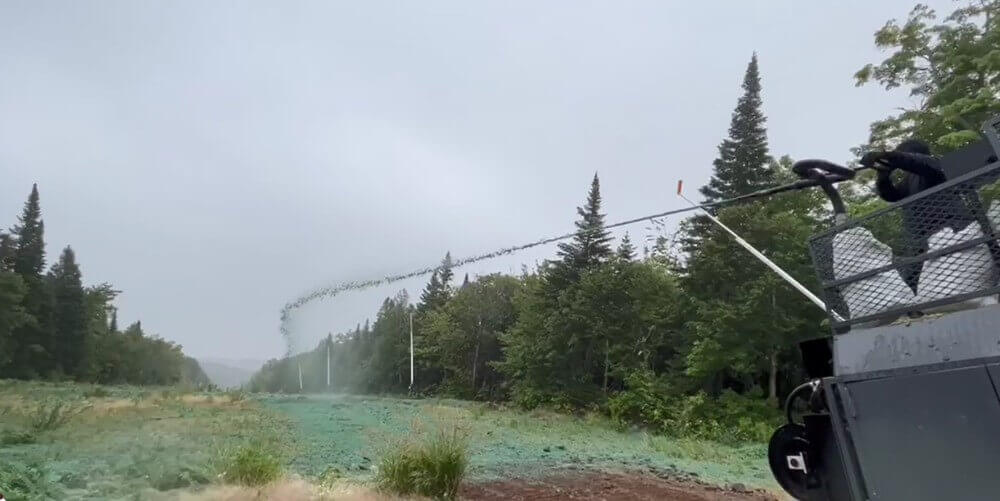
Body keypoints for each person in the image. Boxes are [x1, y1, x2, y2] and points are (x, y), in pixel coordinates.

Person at [863, 140, 977, 291]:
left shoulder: (933, 165)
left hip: (950, 232)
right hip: (922, 239)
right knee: (915, 280)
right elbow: (892, 196)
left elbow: (920, 163)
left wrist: (890, 156)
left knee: (961, 277)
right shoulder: (909, 180)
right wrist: (883, 175)